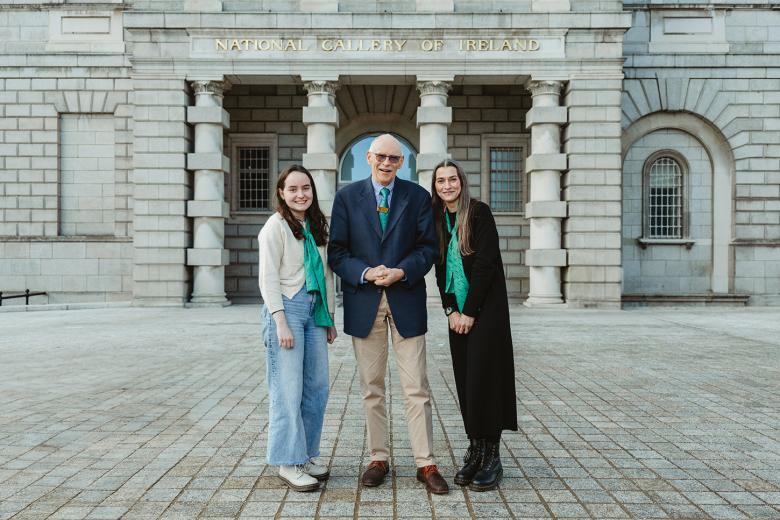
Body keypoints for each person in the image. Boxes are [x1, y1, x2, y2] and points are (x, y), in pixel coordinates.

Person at [328, 134, 448, 494]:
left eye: (394, 158)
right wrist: (365, 273)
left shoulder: (417, 197)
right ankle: (378, 458)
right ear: (368, 157)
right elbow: (337, 251)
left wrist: (402, 271)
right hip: (365, 300)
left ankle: (425, 463)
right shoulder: (347, 198)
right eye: (380, 156)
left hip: (405, 298)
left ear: (401, 163)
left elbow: (428, 248)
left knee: (417, 388)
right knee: (372, 388)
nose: (386, 163)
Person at [431, 159, 518, 491]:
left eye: (452, 179)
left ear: (461, 183)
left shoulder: (479, 213)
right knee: (467, 381)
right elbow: (441, 271)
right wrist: (451, 310)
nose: (448, 185)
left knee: (486, 380)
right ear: (435, 187)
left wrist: (469, 311)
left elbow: (485, 265)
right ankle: (475, 449)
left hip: (485, 312)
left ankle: (492, 454)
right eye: (441, 181)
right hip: (458, 314)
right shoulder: (438, 220)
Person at [258, 164, 338, 492]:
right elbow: (268, 277)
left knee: (316, 386)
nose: (300, 194)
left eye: (305, 188)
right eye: (292, 189)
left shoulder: (317, 226)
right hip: (287, 310)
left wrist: (329, 317)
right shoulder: (274, 227)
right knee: (287, 389)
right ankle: (287, 462)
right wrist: (280, 321)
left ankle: (304, 455)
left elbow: (326, 275)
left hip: (315, 310)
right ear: (281, 192)